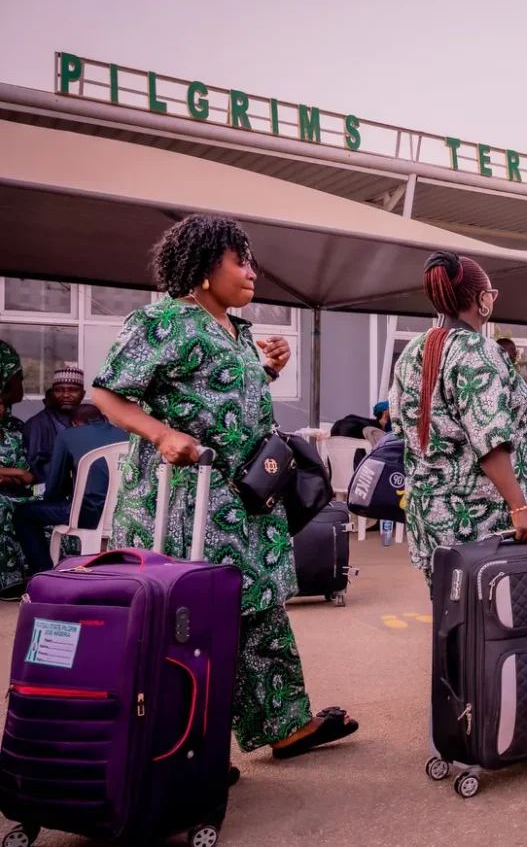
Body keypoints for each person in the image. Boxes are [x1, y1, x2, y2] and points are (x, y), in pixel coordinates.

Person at [91, 214, 358, 770]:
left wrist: (268, 366)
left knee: (258, 609)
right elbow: (108, 395)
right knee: (190, 620)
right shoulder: (161, 321)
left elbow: (224, 396)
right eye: (241, 261)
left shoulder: (232, 328)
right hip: (185, 504)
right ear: (206, 269)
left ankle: (284, 726)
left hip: (244, 501)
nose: (252, 271)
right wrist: (163, 435)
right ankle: (184, 742)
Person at [391, 252, 527, 583]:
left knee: (453, 618)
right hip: (484, 521)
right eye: (491, 292)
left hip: (433, 514)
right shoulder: (478, 351)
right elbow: (490, 441)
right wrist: (520, 509)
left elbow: (401, 427)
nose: (493, 298)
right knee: (493, 622)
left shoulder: (410, 354)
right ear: (481, 301)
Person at [3, 404, 128, 598]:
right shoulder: (125, 435)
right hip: (122, 513)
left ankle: (44, 574)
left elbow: (54, 486)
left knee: (24, 513)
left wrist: (56, 499)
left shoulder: (68, 436)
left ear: (75, 423)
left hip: (87, 513)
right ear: (103, 418)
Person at [0, 342, 35, 599]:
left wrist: (11, 474)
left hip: (15, 491)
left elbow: (29, 474)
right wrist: (14, 473)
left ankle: (36, 577)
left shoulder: (15, 431)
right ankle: (7, 581)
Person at [22, 366, 86, 481]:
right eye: (59, 390)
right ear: (52, 394)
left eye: (73, 390)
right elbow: (37, 467)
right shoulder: (38, 424)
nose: (66, 395)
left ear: (83, 394)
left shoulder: (88, 419)